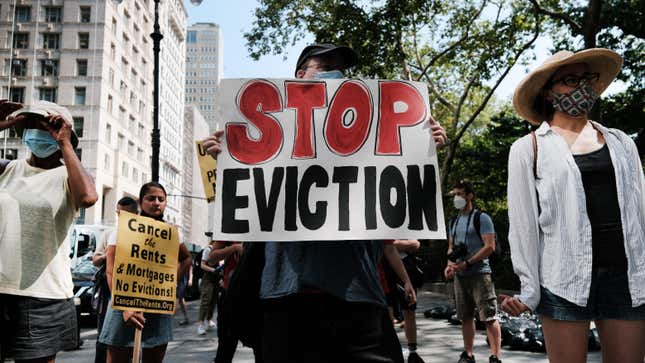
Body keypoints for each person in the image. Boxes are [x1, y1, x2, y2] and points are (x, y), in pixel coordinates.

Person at [204, 43, 447, 363]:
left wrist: (420, 150)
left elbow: (393, 210)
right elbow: (250, 216)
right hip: (288, 303)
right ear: (299, 75)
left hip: (359, 303)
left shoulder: (369, 133)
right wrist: (232, 163)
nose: (337, 74)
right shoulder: (268, 138)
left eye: (341, 68)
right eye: (326, 65)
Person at [502, 48, 645, 363]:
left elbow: (641, 213)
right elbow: (524, 226)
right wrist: (529, 290)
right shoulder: (529, 149)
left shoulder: (622, 143)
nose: (580, 87)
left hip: (626, 278)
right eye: (569, 80)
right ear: (549, 92)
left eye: (586, 78)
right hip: (563, 279)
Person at [0, 100, 98, 363]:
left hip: (42, 298)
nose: (37, 130)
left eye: (46, 125)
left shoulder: (69, 177)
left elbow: (88, 197)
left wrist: (65, 144)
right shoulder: (8, 169)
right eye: (30, 124)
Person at [99, 182, 193, 363]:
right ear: (140, 202)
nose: (156, 203)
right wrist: (125, 307)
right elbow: (110, 271)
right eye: (151, 198)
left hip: (158, 304)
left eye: (161, 199)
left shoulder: (172, 233)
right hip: (124, 304)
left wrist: (171, 284)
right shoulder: (123, 229)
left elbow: (187, 259)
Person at [444, 180, 502, 363]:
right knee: (466, 317)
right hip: (460, 276)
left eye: (460, 194)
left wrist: (468, 263)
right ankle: (468, 354)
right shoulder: (453, 221)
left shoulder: (482, 218)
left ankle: (495, 357)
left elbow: (490, 246)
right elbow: (450, 249)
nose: (457, 199)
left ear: (470, 196)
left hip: (480, 274)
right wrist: (449, 265)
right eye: (455, 195)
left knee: (489, 316)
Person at [92, 197, 139, 363]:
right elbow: (95, 259)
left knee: (129, 338)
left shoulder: (141, 232)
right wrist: (109, 254)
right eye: (119, 213)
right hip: (108, 291)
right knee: (105, 335)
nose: (121, 216)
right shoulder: (110, 233)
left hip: (133, 290)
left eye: (125, 213)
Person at [383, 240, 426, 363]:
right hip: (384, 268)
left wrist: (400, 244)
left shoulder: (406, 222)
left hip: (407, 267)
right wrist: (406, 245)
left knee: (410, 310)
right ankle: (390, 349)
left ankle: (413, 352)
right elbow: (388, 245)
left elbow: (416, 243)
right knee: (388, 310)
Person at [209, 241, 244, 363]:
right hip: (230, 296)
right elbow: (212, 258)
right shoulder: (229, 228)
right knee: (225, 348)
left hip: (259, 296)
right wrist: (234, 248)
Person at [196, 240, 220, 336]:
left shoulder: (218, 250)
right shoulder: (208, 250)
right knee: (206, 300)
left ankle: (209, 319)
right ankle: (201, 324)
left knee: (213, 300)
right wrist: (213, 270)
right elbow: (202, 265)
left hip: (215, 278)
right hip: (208, 278)